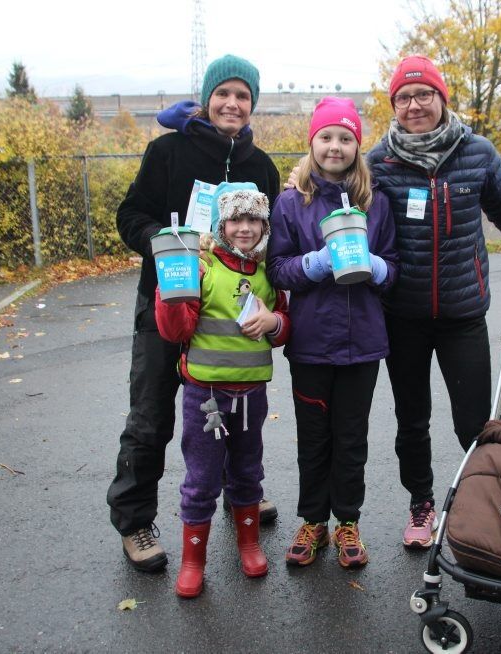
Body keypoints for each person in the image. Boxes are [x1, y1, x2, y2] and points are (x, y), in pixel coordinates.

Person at [365, 55, 501, 549]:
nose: (415, 104)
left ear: (442, 98)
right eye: (404, 97)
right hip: (403, 316)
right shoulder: (379, 161)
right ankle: (421, 506)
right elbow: (345, 202)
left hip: (463, 313)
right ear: (394, 106)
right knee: (411, 418)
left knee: (475, 421)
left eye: (424, 95)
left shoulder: (477, 152)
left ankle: (483, 501)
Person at [108, 54, 281, 573]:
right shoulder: (167, 152)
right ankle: (135, 519)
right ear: (207, 99)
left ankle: (240, 495)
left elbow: (273, 241)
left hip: (231, 318)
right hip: (169, 306)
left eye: (243, 96)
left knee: (234, 411)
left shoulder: (261, 167)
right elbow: (130, 215)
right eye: (223, 93)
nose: (232, 103)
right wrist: (170, 246)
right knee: (151, 417)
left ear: (252, 106)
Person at [267, 97, 398, 569]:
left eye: (345, 138)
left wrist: (379, 268)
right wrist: (315, 264)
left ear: (358, 146)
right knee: (314, 437)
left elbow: (395, 268)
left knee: (350, 437)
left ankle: (347, 521)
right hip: (311, 345)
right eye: (326, 137)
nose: (335, 146)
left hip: (363, 343)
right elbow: (278, 269)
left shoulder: (375, 201)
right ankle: (312, 521)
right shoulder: (291, 202)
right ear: (312, 142)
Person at [154, 183, 289, 597]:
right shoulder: (202, 267)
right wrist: (171, 292)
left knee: (248, 472)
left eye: (253, 219)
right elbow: (175, 329)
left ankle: (248, 544)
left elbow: (284, 325)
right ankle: (193, 561)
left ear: (264, 225)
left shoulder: (269, 273)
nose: (244, 228)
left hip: (251, 398)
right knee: (202, 478)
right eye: (236, 219)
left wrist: (275, 324)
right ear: (220, 224)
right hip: (205, 396)